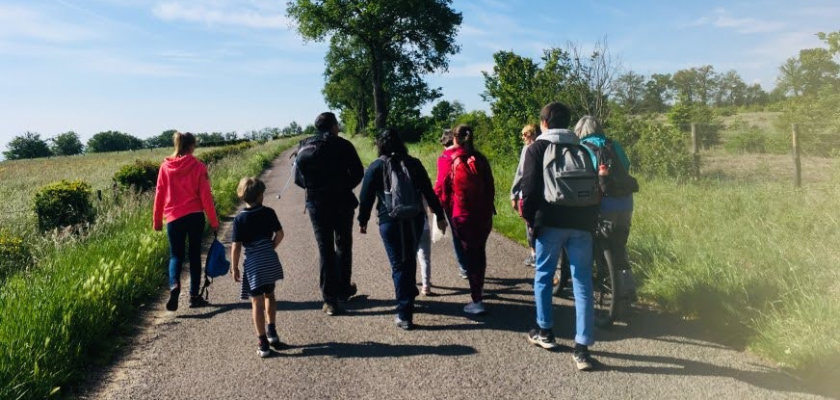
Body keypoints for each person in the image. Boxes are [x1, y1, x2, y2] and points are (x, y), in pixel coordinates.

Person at [520, 102, 598, 371]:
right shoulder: (582, 148)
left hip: (550, 223)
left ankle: (545, 332)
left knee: (543, 276)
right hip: (582, 224)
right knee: (583, 285)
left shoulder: (537, 148)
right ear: (568, 122)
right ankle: (582, 349)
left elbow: (528, 189)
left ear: (543, 123)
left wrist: (531, 220)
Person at [358, 129, 448, 330]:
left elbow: (365, 197)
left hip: (389, 221)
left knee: (398, 265)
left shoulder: (376, 166)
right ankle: (408, 295)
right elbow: (428, 191)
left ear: (380, 145)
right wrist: (440, 216)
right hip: (414, 219)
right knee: (408, 261)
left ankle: (404, 313)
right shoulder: (413, 163)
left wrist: (362, 220)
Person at [294, 112, 364, 316]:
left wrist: (316, 190)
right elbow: (358, 172)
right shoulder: (343, 145)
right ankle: (343, 289)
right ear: (333, 126)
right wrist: (343, 187)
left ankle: (329, 300)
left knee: (325, 249)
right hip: (342, 202)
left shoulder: (304, 145)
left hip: (316, 203)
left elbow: (299, 179)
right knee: (343, 244)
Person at [153, 131, 219, 312]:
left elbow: (159, 194)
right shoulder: (198, 166)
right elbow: (206, 196)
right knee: (194, 255)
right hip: (195, 216)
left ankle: (174, 285)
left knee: (176, 256)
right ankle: (194, 296)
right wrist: (213, 220)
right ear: (191, 146)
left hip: (174, 218)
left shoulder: (165, 167)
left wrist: (157, 220)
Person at [436, 124, 495, 315]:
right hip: (484, 214)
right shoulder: (481, 158)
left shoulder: (450, 158)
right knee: (480, 252)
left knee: (469, 255)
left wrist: (440, 210)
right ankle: (479, 288)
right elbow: (490, 187)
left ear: (455, 138)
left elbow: (442, 187)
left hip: (462, 214)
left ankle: (476, 300)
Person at [575, 116, 636, 300]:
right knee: (619, 245)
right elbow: (626, 165)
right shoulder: (614, 144)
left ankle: (601, 278)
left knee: (594, 239)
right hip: (625, 201)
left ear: (580, 132)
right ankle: (628, 288)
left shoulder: (582, 148)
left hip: (601, 202)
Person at [230, 177, 285, 358]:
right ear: (261, 196)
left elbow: (236, 246)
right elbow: (279, 234)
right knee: (270, 294)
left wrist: (235, 267)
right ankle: (272, 332)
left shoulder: (239, 219)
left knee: (257, 302)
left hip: (253, 264)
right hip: (269, 259)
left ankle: (262, 342)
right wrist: (270, 247)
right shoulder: (269, 212)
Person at [434, 129, 470, 280]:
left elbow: (441, 183)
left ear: (444, 142)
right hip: (472, 200)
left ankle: (464, 267)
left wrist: (435, 200)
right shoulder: (469, 154)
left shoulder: (445, 158)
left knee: (457, 235)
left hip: (453, 203)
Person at [510, 124, 538, 267]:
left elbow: (520, 173)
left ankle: (534, 255)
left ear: (532, 134)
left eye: (525, 134)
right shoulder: (547, 146)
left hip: (528, 194)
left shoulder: (528, 149)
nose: (523, 137)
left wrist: (513, 194)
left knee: (530, 224)